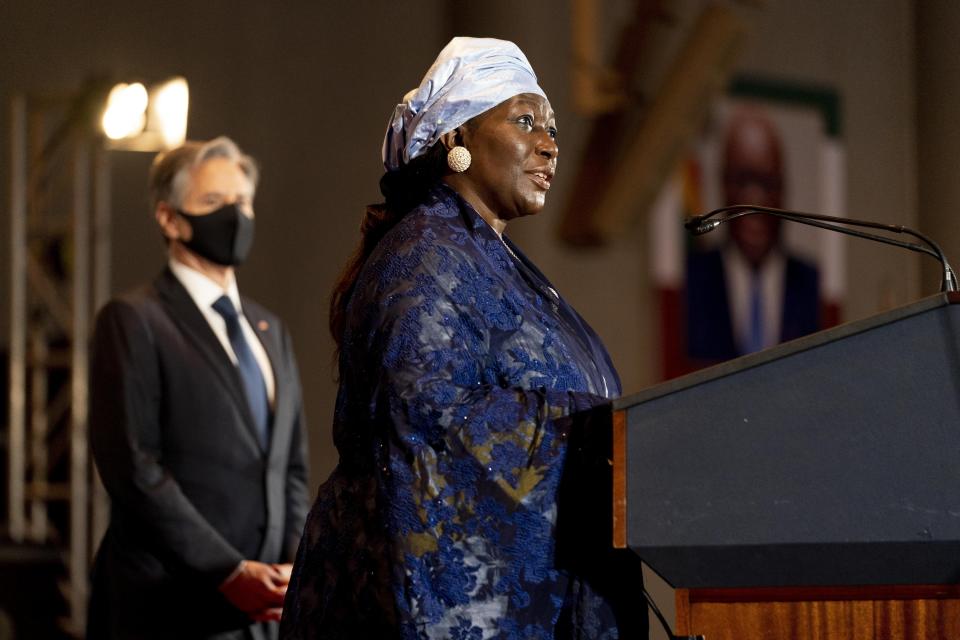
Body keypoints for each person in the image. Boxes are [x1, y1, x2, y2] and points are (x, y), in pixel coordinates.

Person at [280, 37, 646, 640]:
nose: (550, 144)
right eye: (525, 121)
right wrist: (591, 432)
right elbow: (428, 421)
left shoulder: (491, 258)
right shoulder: (424, 258)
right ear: (456, 138)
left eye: (552, 128)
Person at [87, 136, 310, 640]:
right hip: (169, 607)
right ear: (169, 219)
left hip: (263, 612)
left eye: (242, 202)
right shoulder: (135, 319)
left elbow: (290, 465)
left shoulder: (269, 329)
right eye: (214, 203)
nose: (235, 215)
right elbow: (133, 467)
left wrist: (292, 563)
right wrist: (227, 571)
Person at [685, 107, 820, 362]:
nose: (754, 199)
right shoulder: (693, 280)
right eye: (742, 180)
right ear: (722, 185)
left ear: (783, 190)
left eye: (767, 182)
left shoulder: (809, 283)